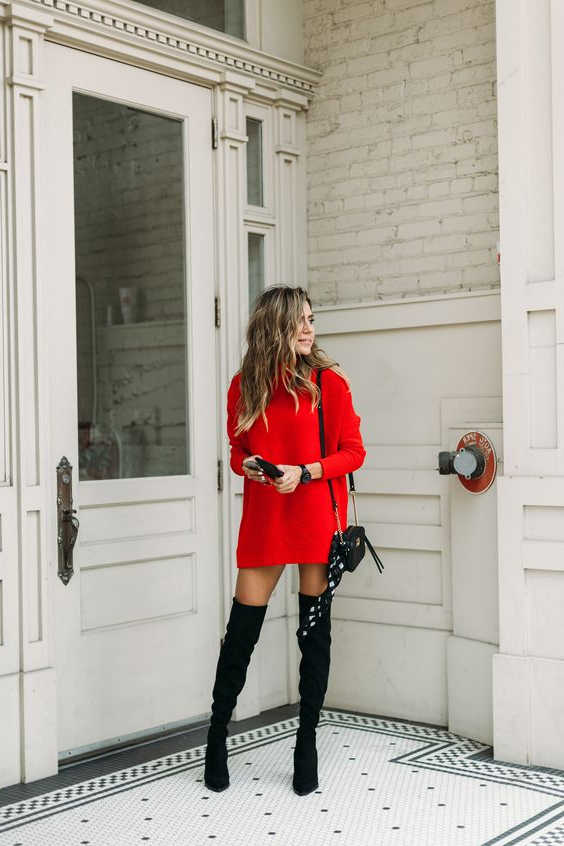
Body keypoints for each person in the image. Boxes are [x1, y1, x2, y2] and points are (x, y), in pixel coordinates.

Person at [204, 284, 366, 796]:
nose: (309, 329)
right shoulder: (244, 387)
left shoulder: (327, 384)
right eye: (299, 321)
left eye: (312, 320)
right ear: (274, 326)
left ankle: (306, 742)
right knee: (241, 635)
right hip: (266, 520)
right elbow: (236, 447)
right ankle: (216, 736)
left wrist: (307, 470)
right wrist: (247, 466)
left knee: (313, 637)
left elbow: (354, 452)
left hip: (315, 519)